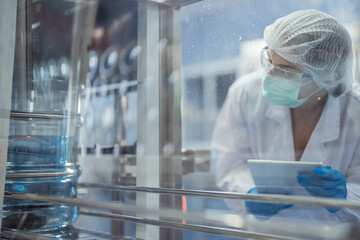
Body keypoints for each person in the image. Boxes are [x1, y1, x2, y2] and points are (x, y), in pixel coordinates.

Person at [211, 9, 360, 222]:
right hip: (268, 233)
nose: (269, 74)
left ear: (327, 75)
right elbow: (229, 162)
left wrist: (345, 196)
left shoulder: (355, 110)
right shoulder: (245, 94)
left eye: (285, 70)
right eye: (268, 60)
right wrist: (248, 193)